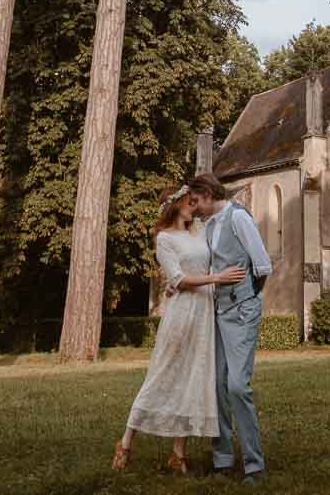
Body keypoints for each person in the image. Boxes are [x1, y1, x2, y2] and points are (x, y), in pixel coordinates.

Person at [113, 184, 245, 474]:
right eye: (188, 201)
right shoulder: (165, 239)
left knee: (193, 377)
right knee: (162, 375)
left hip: (204, 315)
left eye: (194, 201)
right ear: (174, 206)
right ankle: (125, 443)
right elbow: (178, 279)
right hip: (182, 313)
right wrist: (216, 278)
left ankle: (178, 454)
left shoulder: (199, 230)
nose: (193, 205)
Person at [187, 172, 272, 485]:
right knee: (217, 386)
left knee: (237, 386)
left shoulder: (239, 219)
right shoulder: (208, 225)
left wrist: (246, 297)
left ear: (208, 193)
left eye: (196, 201)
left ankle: (255, 466)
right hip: (217, 313)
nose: (194, 208)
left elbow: (262, 267)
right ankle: (222, 459)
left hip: (242, 310)